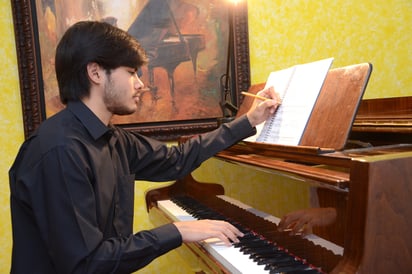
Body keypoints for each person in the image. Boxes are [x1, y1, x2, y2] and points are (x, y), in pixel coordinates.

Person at [9, 21, 281, 273]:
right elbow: (87, 264)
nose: (141, 84)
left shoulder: (112, 139)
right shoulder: (60, 150)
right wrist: (178, 231)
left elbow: (178, 159)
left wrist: (249, 121)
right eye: (130, 73)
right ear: (95, 73)